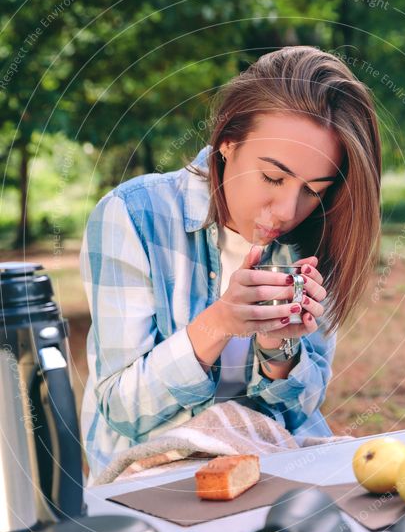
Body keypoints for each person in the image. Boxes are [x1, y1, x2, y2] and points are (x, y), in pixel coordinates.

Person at [79, 46, 381, 481]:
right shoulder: (133, 216)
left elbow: (304, 408)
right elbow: (123, 410)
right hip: (157, 478)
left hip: (277, 465)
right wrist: (219, 323)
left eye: (312, 190)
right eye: (273, 177)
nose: (286, 210)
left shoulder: (321, 232)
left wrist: (281, 351)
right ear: (227, 140)